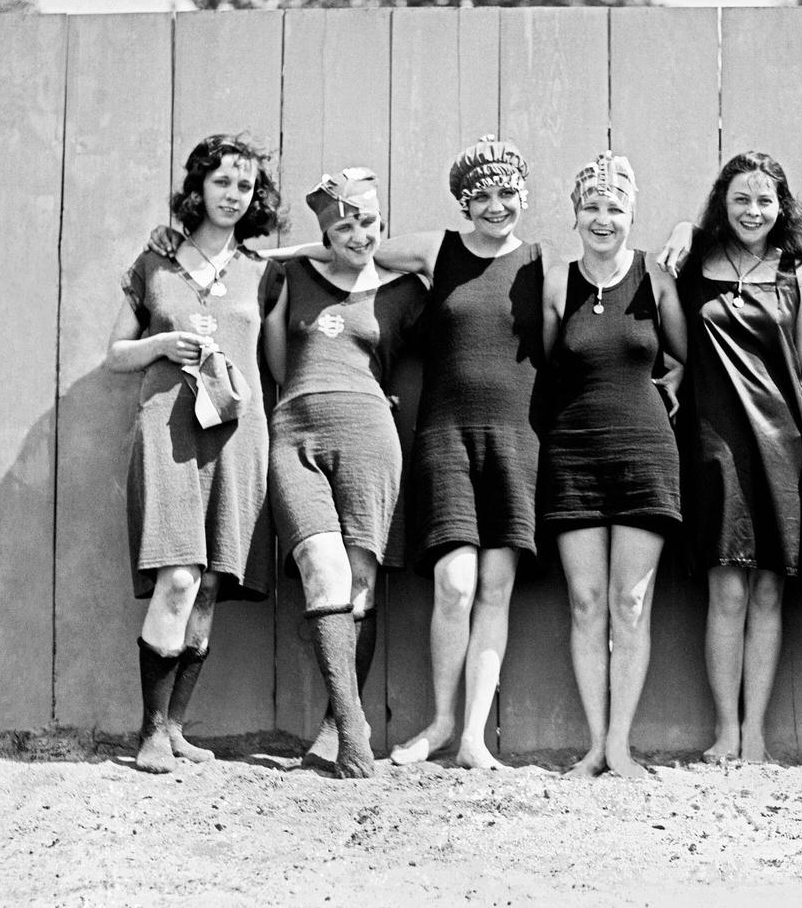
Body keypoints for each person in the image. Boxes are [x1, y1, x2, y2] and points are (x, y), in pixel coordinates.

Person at [361, 135, 548, 770]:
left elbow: (623, 274)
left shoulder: (545, 265)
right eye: (482, 197)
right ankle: (440, 721)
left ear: (521, 195)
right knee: (453, 584)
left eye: (506, 194)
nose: (496, 207)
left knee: (494, 589)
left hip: (517, 442)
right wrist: (257, 256)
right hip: (445, 438)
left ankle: (472, 738)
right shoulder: (437, 250)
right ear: (464, 203)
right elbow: (351, 246)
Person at [106, 134, 285, 774]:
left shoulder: (266, 272)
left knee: (208, 583)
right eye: (222, 183)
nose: (234, 196)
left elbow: (279, 365)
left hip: (238, 432)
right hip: (168, 428)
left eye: (245, 186)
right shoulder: (154, 263)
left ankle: (178, 727)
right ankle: (151, 731)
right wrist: (162, 345)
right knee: (177, 576)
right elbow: (114, 356)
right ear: (198, 189)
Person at [659, 151, 802, 763]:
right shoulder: (692, 266)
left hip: (783, 444)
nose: (753, 211)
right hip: (715, 444)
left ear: (781, 206)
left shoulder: (798, 273)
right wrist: (683, 229)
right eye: (741, 199)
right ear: (722, 203)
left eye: (764, 200)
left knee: (766, 595)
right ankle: (724, 731)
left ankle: (755, 732)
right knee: (726, 592)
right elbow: (674, 350)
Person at [263, 168, 426, 779]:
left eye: (368, 222)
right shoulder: (292, 277)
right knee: (319, 566)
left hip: (369, 434)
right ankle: (356, 729)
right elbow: (279, 363)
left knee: (358, 577)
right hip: (296, 429)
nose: (358, 235)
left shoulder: (406, 290)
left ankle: (335, 729)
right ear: (323, 233)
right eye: (343, 226)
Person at [540, 152, 688, 778]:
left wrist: (675, 381)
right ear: (576, 215)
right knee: (585, 600)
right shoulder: (555, 281)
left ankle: (621, 745)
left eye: (615, 210)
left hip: (644, 453)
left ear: (632, 216)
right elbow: (544, 368)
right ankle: (594, 744)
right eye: (592, 208)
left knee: (629, 603)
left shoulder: (655, 277)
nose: (603, 219)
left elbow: (684, 355)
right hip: (573, 452)